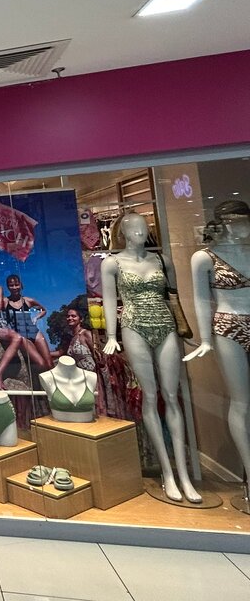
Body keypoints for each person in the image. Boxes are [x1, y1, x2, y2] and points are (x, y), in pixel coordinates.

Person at [102, 212, 202, 504]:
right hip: (133, 325)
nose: (140, 232)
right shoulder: (112, 263)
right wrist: (111, 335)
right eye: (134, 228)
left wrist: (187, 330)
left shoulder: (162, 260)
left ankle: (183, 474)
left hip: (165, 324)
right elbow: (110, 300)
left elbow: (173, 297)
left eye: (144, 228)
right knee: (150, 395)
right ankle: (167, 472)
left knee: (171, 396)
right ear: (122, 233)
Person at [187, 199, 250, 482]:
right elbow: (201, 300)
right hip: (228, 327)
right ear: (223, 224)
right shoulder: (204, 258)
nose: (243, 226)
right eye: (236, 221)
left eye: (245, 220)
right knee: (241, 402)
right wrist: (205, 339)